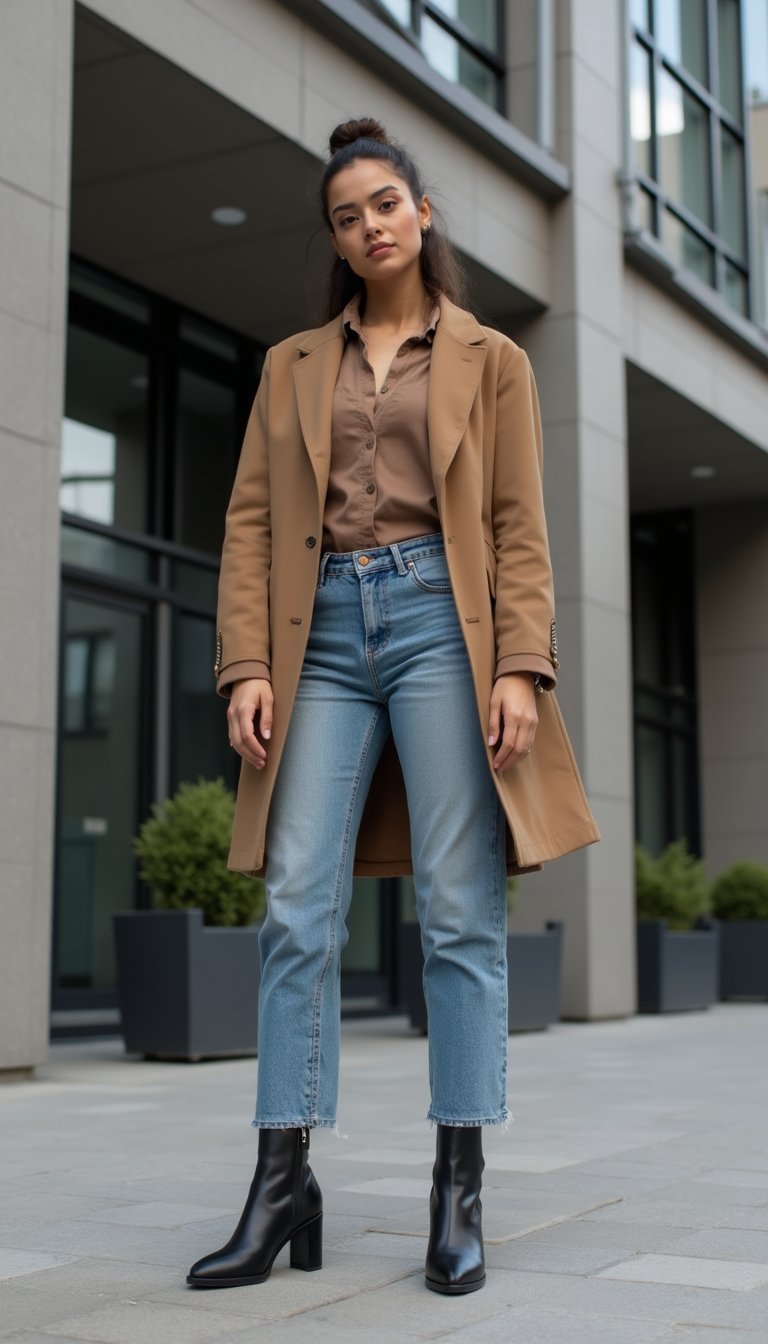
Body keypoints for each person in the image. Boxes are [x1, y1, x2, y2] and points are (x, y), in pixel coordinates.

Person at [187, 117, 599, 1296]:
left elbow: (519, 527)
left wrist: (522, 665)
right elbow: (253, 522)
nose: (367, 224)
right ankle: (281, 1182)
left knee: (460, 911)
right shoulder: (292, 365)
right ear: (337, 238)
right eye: (345, 214)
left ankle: (457, 1183)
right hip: (317, 632)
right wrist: (245, 663)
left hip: (438, 626)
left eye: (383, 202)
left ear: (423, 213)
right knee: (294, 907)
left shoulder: (491, 360)